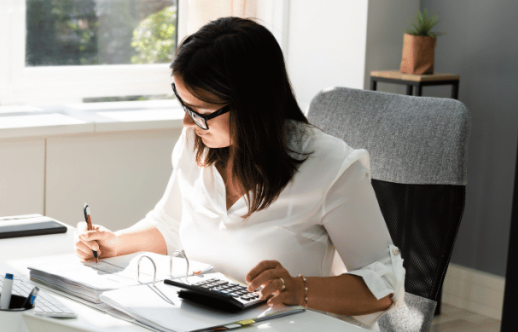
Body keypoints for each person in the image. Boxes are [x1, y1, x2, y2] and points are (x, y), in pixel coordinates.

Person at [74, 17, 405, 327]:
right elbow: (170, 224)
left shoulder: (332, 167)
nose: (188, 123)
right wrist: (116, 244)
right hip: (209, 321)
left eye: (200, 111)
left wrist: (298, 288)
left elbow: (385, 285)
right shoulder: (196, 144)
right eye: (184, 106)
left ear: (250, 105)